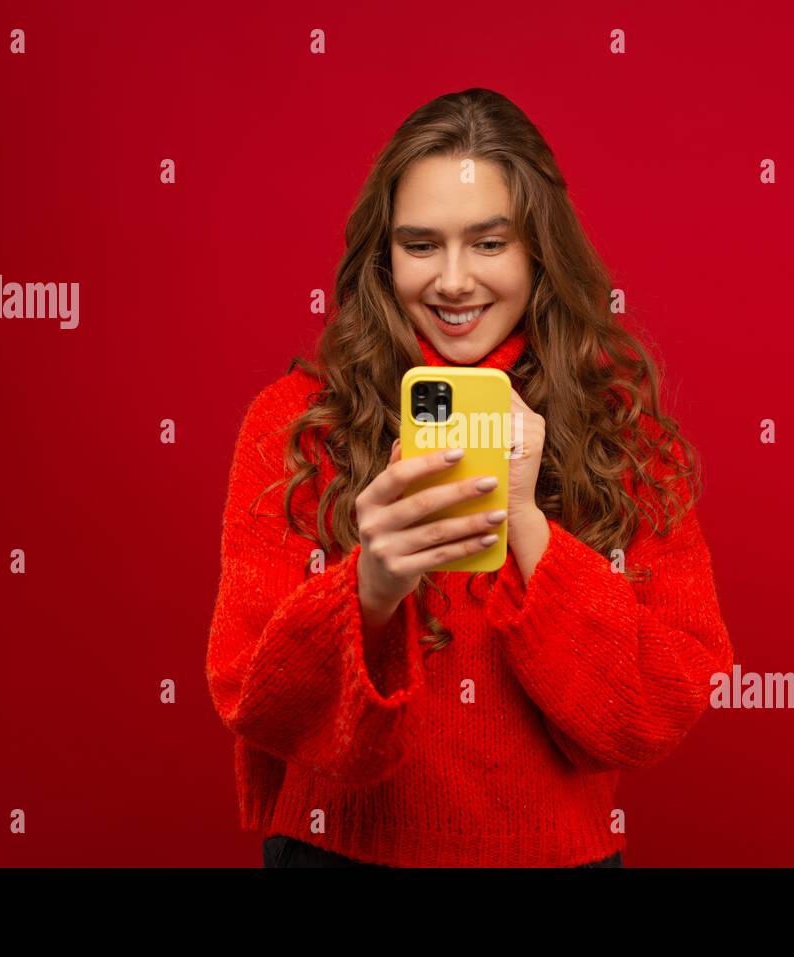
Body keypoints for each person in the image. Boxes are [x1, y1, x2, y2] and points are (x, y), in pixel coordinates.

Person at [205, 88, 732, 868]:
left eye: (490, 243)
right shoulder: (295, 424)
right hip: (338, 859)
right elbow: (253, 697)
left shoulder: (625, 433)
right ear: (383, 256)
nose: (453, 281)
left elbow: (652, 710)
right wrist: (370, 587)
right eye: (422, 245)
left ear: (539, 250)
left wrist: (525, 519)